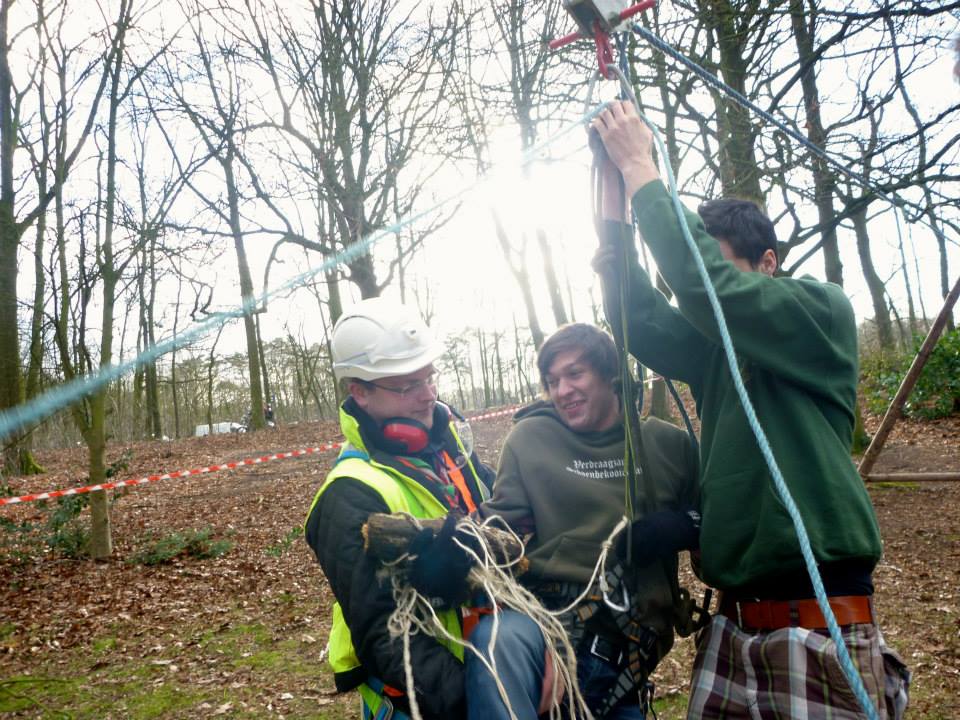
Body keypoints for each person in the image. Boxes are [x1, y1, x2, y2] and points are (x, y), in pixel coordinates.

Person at [591, 100, 909, 719]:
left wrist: (640, 165)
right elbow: (640, 316)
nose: (706, 296)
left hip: (819, 619)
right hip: (735, 627)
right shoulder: (717, 346)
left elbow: (709, 291)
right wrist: (613, 213)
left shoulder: (820, 314)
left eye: (723, 267)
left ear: (769, 264)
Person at [467, 323, 699, 720]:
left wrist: (686, 525)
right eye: (552, 380)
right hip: (544, 626)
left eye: (575, 374)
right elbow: (499, 532)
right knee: (496, 642)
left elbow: (716, 527)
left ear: (609, 374)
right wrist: (452, 545)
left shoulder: (666, 445)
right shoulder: (530, 440)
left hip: (626, 647)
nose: (562, 390)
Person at [304, 297, 494, 720]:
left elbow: (503, 522)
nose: (429, 395)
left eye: (430, 377)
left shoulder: (450, 445)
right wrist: (482, 700)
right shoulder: (349, 493)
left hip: (498, 662)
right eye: (408, 385)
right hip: (432, 703)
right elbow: (383, 634)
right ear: (360, 392)